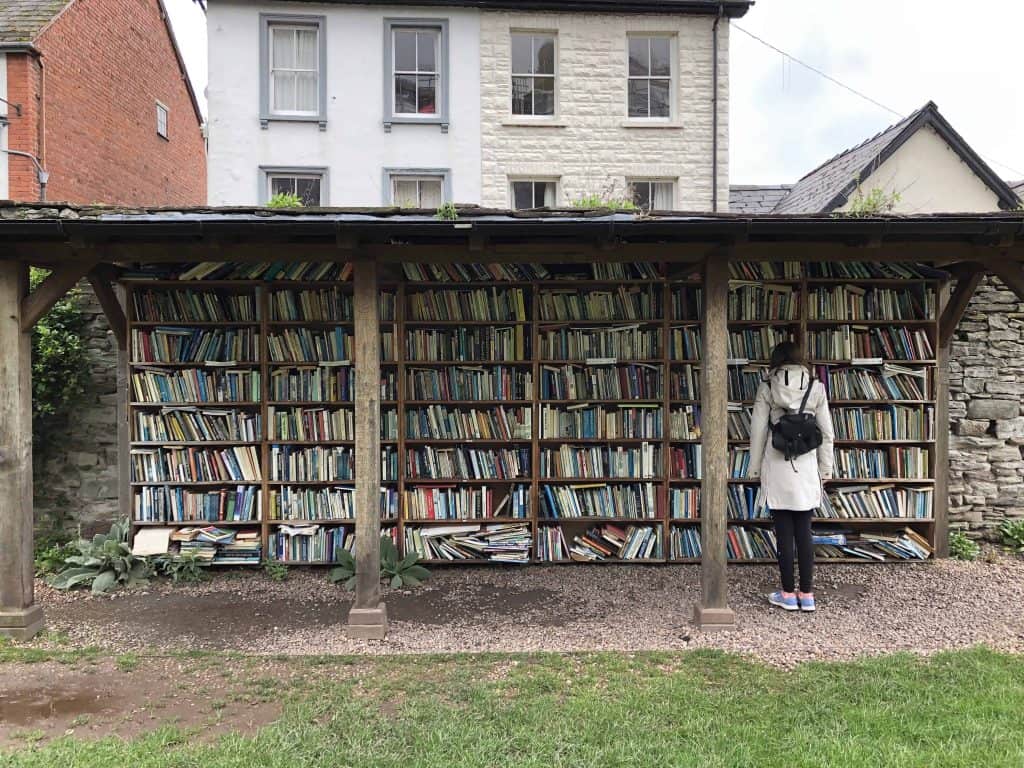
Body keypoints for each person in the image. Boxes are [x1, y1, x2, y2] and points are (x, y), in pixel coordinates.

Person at [747, 341, 834, 613]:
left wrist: (754, 469)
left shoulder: (767, 386)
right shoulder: (816, 386)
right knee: (804, 531)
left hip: (777, 461)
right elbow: (827, 434)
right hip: (806, 464)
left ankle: (786, 593)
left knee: (783, 531)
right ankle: (806, 595)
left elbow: (758, 431)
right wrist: (825, 470)